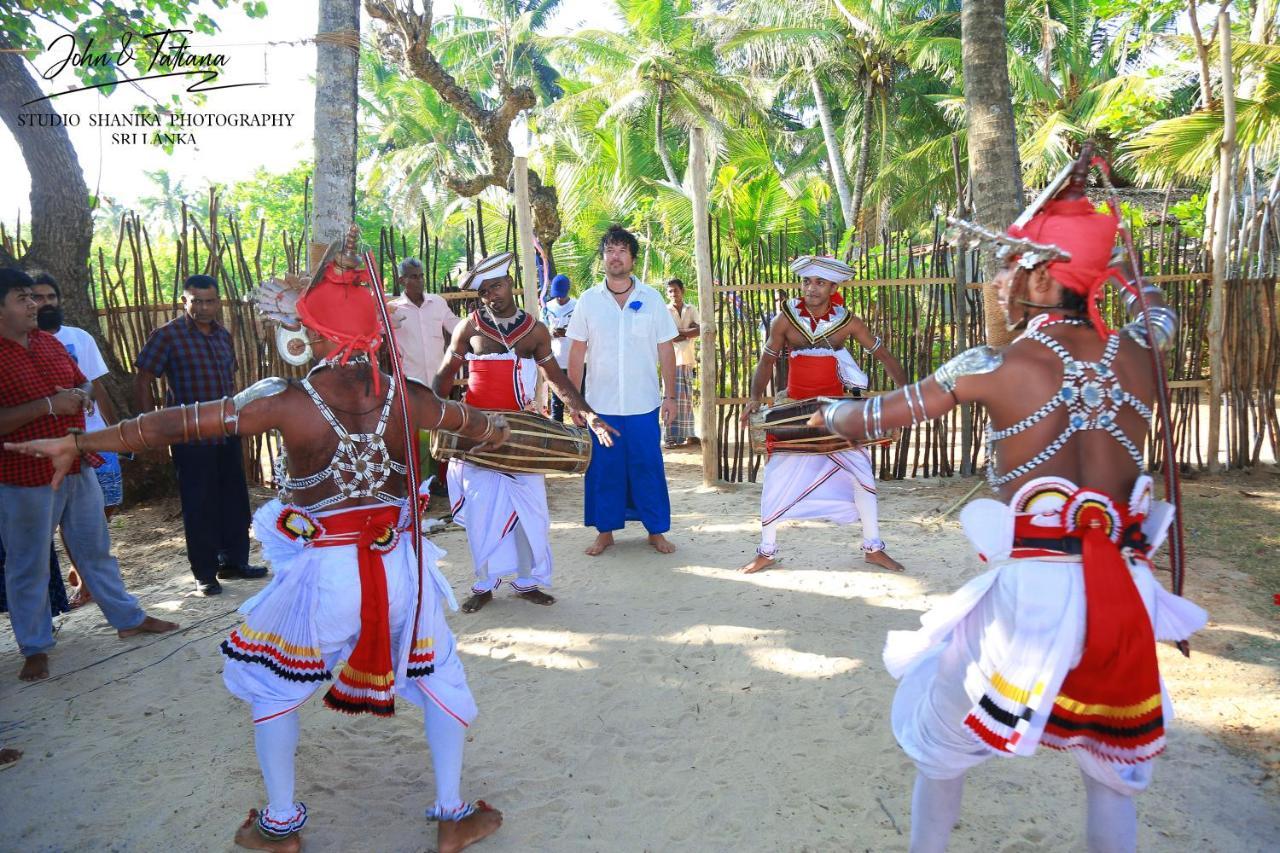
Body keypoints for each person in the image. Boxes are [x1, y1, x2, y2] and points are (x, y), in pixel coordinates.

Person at [8, 230, 508, 852]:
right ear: (375, 334)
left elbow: (174, 424)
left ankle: (279, 825)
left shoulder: (285, 400)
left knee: (275, 687)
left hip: (326, 573)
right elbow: (485, 426)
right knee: (439, 675)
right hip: (400, 565)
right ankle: (453, 812)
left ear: (315, 335)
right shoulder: (409, 398)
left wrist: (80, 443)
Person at [811, 164, 1206, 852]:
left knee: (940, 736)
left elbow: (866, 419)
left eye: (1009, 266)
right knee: (1113, 774)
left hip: (1030, 594)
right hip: (1123, 594)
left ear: (1047, 278)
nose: (997, 281)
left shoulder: (990, 365)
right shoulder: (1143, 357)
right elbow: (1154, 315)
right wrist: (1125, 278)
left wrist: (825, 408)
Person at [0, 267, 177, 682]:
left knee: (96, 549)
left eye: (33, 296)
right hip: (26, 477)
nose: (33, 304)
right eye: (22, 297)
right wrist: (49, 405)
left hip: (78, 465)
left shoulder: (48, 342)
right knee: (28, 565)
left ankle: (127, 618)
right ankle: (35, 647)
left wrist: (79, 395)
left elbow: (82, 384)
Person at [433, 253, 617, 612]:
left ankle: (526, 581)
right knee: (481, 514)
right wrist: (429, 410)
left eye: (497, 286)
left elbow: (558, 380)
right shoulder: (468, 328)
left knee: (530, 513)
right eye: (484, 291)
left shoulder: (534, 330)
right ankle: (484, 584)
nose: (492, 295)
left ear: (511, 282)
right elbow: (443, 376)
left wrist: (589, 415)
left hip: (523, 435)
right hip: (476, 433)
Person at [739, 255, 908, 574]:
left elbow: (882, 354)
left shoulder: (848, 321)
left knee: (862, 475)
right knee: (775, 478)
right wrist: (754, 397)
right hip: (793, 410)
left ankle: (873, 548)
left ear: (833, 286)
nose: (811, 288)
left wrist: (907, 392)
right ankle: (766, 550)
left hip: (835, 410)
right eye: (806, 281)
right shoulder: (785, 318)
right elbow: (766, 362)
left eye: (819, 282)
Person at [135, 274, 265, 596]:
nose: (204, 307)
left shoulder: (224, 336)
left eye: (210, 301)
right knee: (199, 504)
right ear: (184, 301)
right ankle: (204, 573)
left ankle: (234, 561)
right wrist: (150, 427)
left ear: (218, 302)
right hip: (189, 436)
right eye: (197, 301)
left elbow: (229, 385)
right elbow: (142, 380)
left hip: (226, 432)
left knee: (233, 500)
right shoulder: (167, 336)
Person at [567, 225, 679, 556]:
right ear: (603, 259)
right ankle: (605, 533)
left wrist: (669, 395)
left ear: (632, 258)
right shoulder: (588, 301)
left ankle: (656, 530)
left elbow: (666, 349)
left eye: (621, 251)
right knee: (604, 470)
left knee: (648, 467)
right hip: (600, 407)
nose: (615, 257)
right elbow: (576, 352)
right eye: (609, 251)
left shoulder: (652, 299)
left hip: (644, 404)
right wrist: (576, 402)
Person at [31, 272, 121, 606]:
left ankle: (84, 565)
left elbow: (96, 386)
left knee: (106, 504)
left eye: (50, 297)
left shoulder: (79, 337)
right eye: (37, 298)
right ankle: (85, 580)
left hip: (95, 436)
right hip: (58, 442)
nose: (45, 303)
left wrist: (116, 432)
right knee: (72, 513)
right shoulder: (23, 346)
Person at [390, 258, 461, 494]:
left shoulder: (438, 303)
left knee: (439, 428)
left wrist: (479, 326)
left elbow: (456, 328)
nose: (419, 280)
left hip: (439, 379)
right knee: (416, 434)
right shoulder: (394, 309)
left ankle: (438, 481)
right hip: (411, 382)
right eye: (413, 276)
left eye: (420, 276)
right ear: (402, 280)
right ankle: (421, 484)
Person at [663, 278, 700, 448]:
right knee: (671, 397)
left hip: (687, 358)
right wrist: (687, 332)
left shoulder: (691, 308)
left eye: (675, 290)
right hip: (671, 359)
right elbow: (667, 335)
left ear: (682, 291)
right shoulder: (665, 311)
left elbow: (700, 329)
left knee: (686, 398)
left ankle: (687, 433)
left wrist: (679, 333)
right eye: (670, 291)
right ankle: (670, 436)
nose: (673, 294)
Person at [540, 274, 576, 423]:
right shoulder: (547, 308)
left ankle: (582, 433)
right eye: (557, 296)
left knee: (578, 397)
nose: (559, 299)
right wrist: (551, 333)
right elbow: (541, 329)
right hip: (555, 361)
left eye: (562, 295)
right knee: (557, 400)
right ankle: (558, 430)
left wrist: (568, 332)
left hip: (575, 361)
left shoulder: (578, 306)